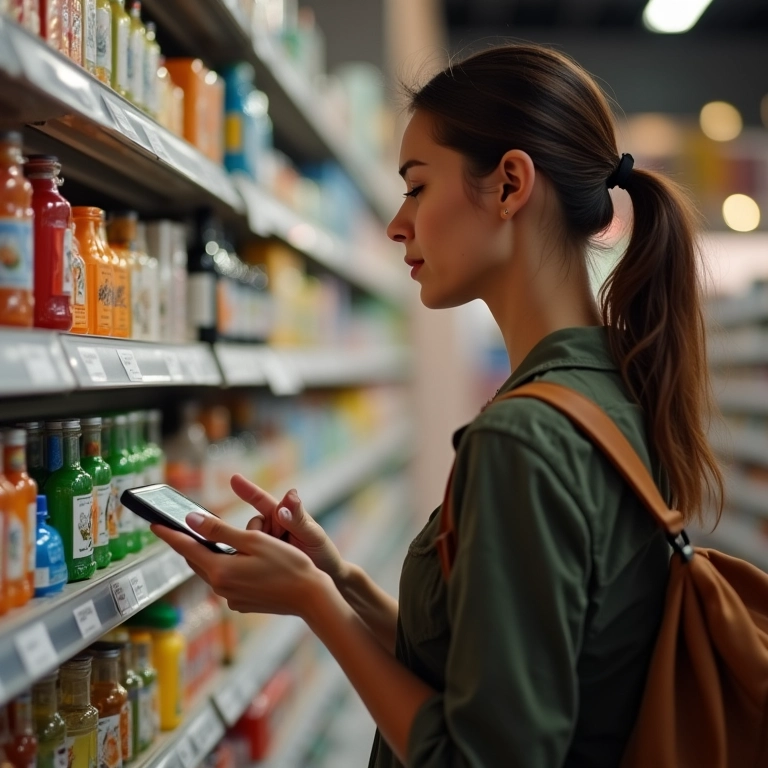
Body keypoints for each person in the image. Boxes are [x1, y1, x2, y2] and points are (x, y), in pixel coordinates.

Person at [153, 43, 724, 767]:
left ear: (510, 184)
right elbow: (496, 673)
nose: (398, 223)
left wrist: (313, 605)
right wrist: (338, 581)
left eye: (417, 187)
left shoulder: (523, 438)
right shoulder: (617, 386)